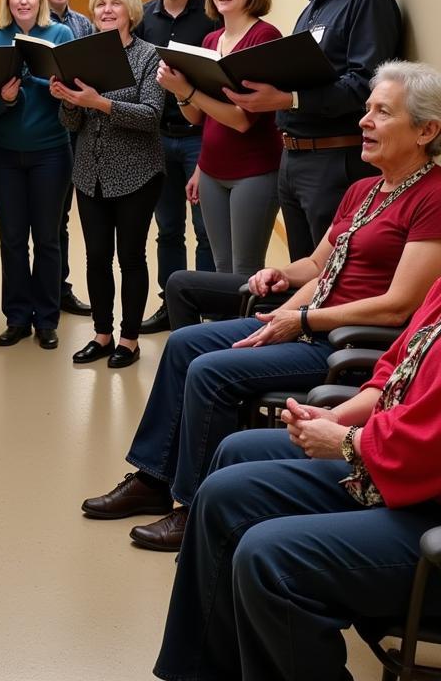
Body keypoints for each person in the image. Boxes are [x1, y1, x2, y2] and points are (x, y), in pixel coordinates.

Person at [81, 62, 441, 554]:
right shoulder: (364, 189)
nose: (364, 121)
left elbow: (399, 307)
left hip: (345, 342)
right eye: (366, 110)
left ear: (426, 130)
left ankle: (190, 507)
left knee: (209, 372)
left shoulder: (433, 196)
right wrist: (281, 284)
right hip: (309, 323)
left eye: (382, 112)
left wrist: (302, 321)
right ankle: (153, 476)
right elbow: (318, 263)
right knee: (184, 343)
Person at [155, 276, 441, 681]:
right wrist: (338, 417)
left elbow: (430, 442)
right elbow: (394, 372)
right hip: (397, 475)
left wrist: (348, 442)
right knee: (224, 494)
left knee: (268, 559)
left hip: (427, 508)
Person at [227, 0, 402, 260]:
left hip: (335, 160)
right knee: (302, 273)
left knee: (331, 275)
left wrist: (288, 99)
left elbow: (368, 85)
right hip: (293, 159)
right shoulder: (315, 5)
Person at [53, 0, 163, 369]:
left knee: (131, 257)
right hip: (89, 173)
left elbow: (151, 117)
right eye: (100, 4)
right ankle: (102, 334)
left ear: (131, 11)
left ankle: (130, 339)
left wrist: (97, 102)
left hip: (137, 173)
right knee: (96, 257)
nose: (106, 10)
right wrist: (66, 99)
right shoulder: (83, 57)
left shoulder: (148, 56)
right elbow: (71, 122)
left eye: (116, 4)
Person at [156, 0, 282, 278]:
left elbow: (241, 119)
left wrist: (189, 90)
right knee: (221, 267)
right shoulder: (211, 41)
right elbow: (198, 117)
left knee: (245, 269)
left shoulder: (264, 37)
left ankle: (239, 331)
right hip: (211, 168)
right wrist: (178, 89)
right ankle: (220, 328)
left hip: (253, 170)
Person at [0, 0, 73, 350]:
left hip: (51, 152)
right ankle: (17, 317)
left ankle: (47, 319)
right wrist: (3, 100)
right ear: (8, 0)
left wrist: (51, 87)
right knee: (12, 240)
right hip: (5, 154)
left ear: (41, 0)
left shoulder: (60, 36)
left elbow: (74, 96)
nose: (23, 1)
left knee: (48, 239)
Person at [136, 0, 218, 334]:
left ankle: (202, 310)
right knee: (167, 229)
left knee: (205, 231)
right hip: (155, 136)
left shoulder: (211, 15)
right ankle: (171, 306)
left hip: (200, 135)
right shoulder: (144, 17)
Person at [39, 0, 92, 317]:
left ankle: (60, 288)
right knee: (47, 222)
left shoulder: (82, 24)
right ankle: (45, 290)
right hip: (43, 132)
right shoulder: (33, 24)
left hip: (75, 132)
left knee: (62, 218)